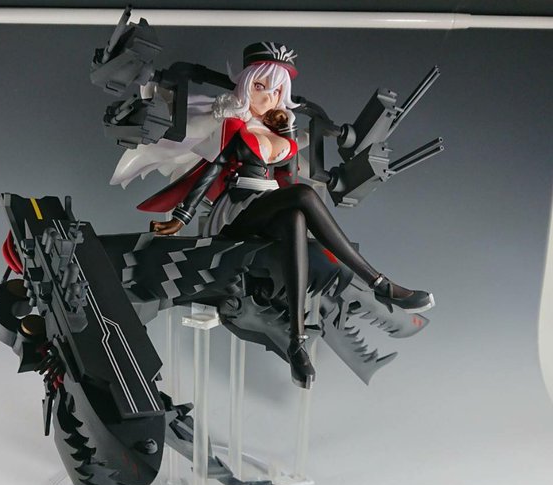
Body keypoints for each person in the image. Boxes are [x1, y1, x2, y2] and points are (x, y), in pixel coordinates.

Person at [110, 42, 434, 388]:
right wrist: (182, 216)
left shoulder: (282, 132)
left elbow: (290, 178)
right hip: (238, 212)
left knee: (296, 217)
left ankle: (297, 342)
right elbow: (212, 170)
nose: (269, 96)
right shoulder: (236, 127)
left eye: (277, 90)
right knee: (303, 197)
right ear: (245, 87)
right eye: (261, 87)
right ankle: (380, 283)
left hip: (271, 209)